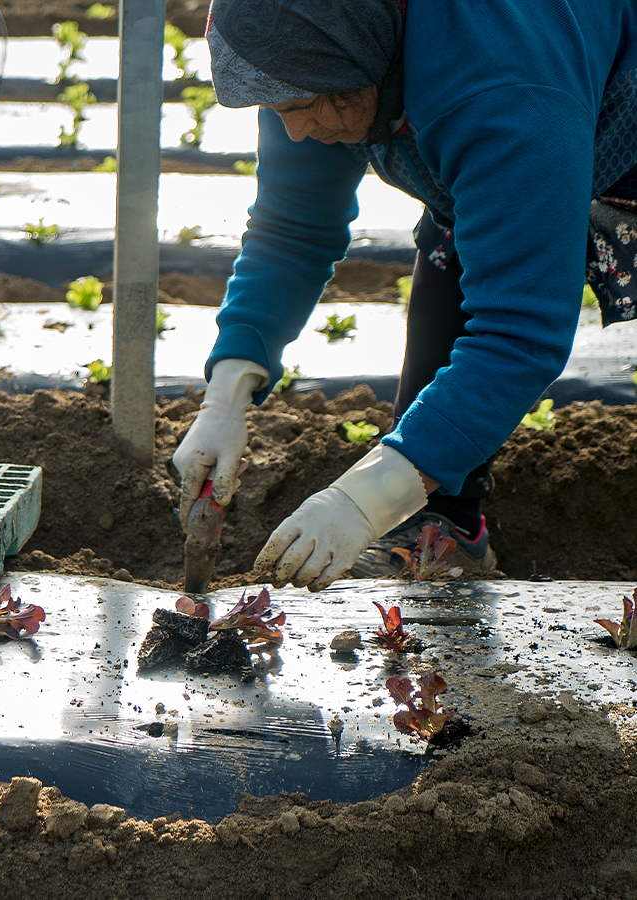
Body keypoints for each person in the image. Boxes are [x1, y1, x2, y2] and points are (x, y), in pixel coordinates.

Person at [173, 0, 637, 591]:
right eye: (276, 107)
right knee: (464, 227)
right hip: (501, 102)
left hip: (597, 91)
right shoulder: (303, 44)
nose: (293, 129)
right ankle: (443, 521)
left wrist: (364, 500)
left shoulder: (498, 84)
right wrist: (226, 396)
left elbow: (520, 332)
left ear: (355, 64)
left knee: (502, 223)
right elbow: (294, 228)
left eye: (298, 106)